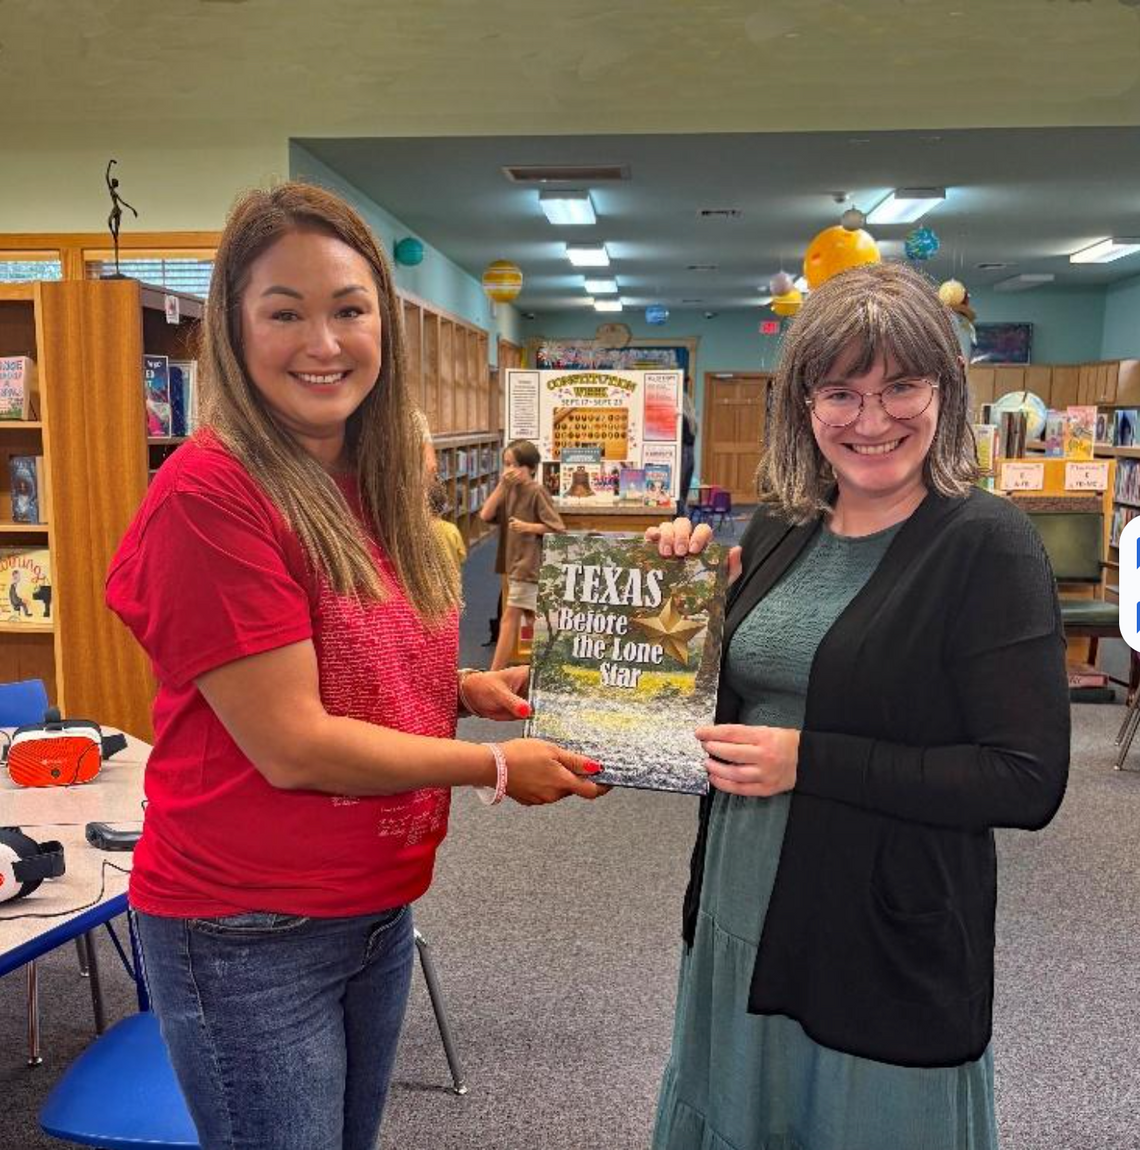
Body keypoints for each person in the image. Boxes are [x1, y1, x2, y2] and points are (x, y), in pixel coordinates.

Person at [105, 182, 606, 1150]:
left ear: (384, 323)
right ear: (234, 330)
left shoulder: (363, 478)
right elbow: (293, 743)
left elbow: (342, 660)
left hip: (372, 905)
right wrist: (496, 764)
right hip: (245, 926)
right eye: (283, 312)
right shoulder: (210, 495)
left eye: (348, 309)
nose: (322, 343)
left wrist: (462, 689)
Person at [647, 262, 1070, 1150]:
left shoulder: (986, 543)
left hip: (878, 926)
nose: (872, 421)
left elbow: (1025, 780)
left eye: (901, 387)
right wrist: (673, 594)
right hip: (744, 889)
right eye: (841, 391)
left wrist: (807, 759)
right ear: (803, 403)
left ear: (946, 393)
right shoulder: (782, 524)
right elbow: (730, 695)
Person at [479, 438, 565, 672]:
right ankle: (556, 664)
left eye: (515, 465)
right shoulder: (509, 491)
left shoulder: (536, 492)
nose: (510, 470)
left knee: (510, 618)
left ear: (531, 468)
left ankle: (494, 673)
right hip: (514, 564)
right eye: (506, 464)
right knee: (536, 618)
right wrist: (501, 486)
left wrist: (528, 527)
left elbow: (557, 528)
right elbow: (485, 514)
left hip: (528, 564)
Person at [676, 385, 698, 518]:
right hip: (690, 455)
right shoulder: (692, 420)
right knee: (683, 491)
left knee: (677, 493)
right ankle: (683, 519)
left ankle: (679, 519)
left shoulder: (681, 418)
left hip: (682, 454)